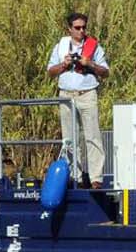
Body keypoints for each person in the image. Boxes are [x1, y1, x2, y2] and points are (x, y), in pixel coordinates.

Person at [45, 12, 110, 188]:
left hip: (87, 94)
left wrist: (90, 64)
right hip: (66, 95)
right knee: (70, 139)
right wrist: (64, 64)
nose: (81, 31)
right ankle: (76, 177)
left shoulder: (94, 47)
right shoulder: (60, 46)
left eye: (83, 27)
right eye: (77, 28)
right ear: (69, 29)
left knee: (93, 137)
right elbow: (50, 71)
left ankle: (96, 179)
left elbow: (105, 72)